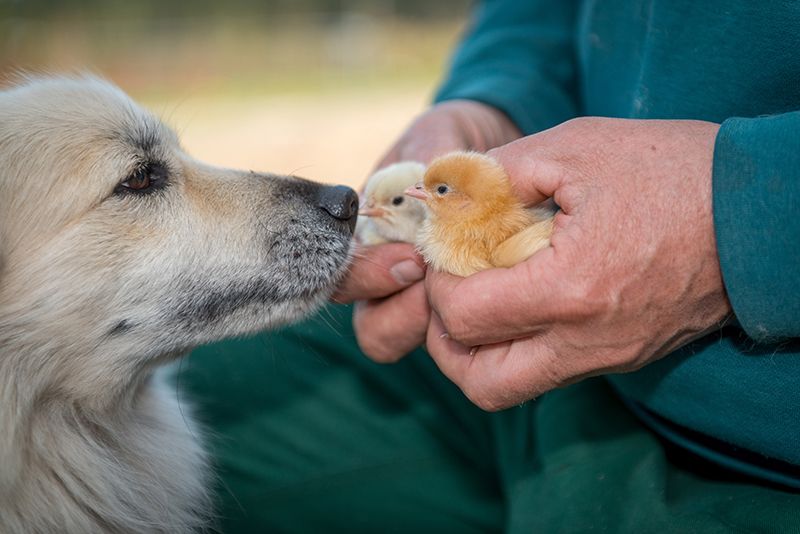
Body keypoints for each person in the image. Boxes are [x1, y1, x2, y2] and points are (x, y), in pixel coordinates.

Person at [182, 1, 800, 532]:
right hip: (508, 358)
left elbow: (506, 239)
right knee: (171, 400)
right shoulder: (455, 225)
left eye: (432, 195)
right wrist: (500, 97)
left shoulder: (489, 235)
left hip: (748, 456)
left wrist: (738, 216)